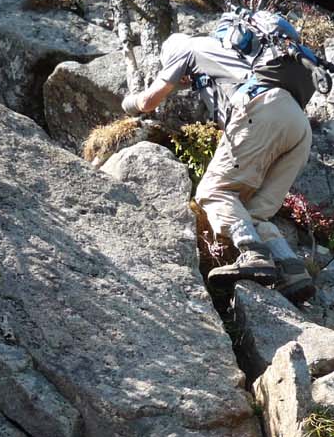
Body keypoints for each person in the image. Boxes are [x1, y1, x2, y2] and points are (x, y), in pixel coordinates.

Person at [122, 32, 316, 304]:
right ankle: (292, 270)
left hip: (264, 110)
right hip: (298, 126)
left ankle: (253, 254)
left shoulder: (185, 48)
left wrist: (127, 103)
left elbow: (148, 101)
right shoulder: (227, 52)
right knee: (253, 211)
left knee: (213, 192)